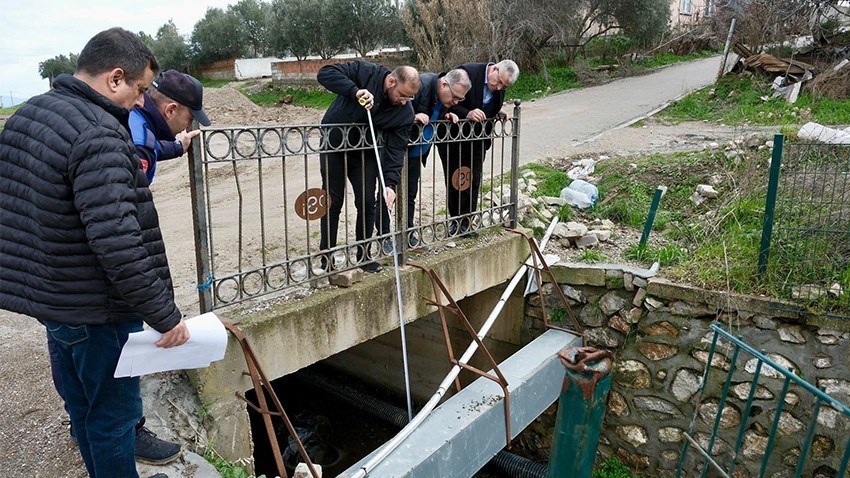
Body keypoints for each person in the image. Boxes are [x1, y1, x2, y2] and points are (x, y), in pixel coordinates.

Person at [0, 27, 190, 478]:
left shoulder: (29, 114)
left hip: (55, 301)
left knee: (84, 408)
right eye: (141, 90)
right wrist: (165, 315)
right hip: (97, 309)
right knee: (114, 419)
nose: (142, 102)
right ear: (115, 78)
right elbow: (117, 242)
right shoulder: (98, 133)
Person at [316, 61, 420, 273]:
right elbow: (325, 73)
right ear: (391, 81)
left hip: (365, 153)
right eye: (402, 95)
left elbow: (396, 149)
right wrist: (355, 91)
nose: (404, 101)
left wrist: (390, 183)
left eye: (409, 98)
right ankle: (327, 257)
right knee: (332, 201)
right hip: (334, 144)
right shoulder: (367, 73)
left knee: (366, 201)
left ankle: (364, 255)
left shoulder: (404, 113)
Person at [375, 68, 471, 253]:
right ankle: (384, 237)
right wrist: (411, 117)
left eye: (460, 100)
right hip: (396, 151)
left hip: (415, 153)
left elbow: (433, 113)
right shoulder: (420, 85)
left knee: (410, 194)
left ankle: (408, 234)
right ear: (444, 84)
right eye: (455, 97)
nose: (456, 102)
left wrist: (446, 115)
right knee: (388, 193)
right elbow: (394, 109)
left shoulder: (444, 98)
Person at [436, 59, 520, 236]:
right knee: (456, 179)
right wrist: (467, 113)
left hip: (478, 140)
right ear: (495, 68)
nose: (498, 88)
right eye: (498, 82)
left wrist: (496, 113)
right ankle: (456, 222)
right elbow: (448, 102)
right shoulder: (467, 72)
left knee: (472, 179)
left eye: (503, 86)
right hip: (454, 138)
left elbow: (486, 106)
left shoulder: (498, 87)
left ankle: (467, 221)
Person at [129, 69, 211, 184]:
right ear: (170, 111)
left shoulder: (133, 112)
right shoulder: (140, 148)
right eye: (190, 119)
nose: (188, 125)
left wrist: (178, 147)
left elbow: (152, 147)